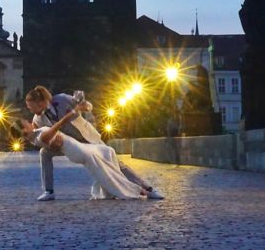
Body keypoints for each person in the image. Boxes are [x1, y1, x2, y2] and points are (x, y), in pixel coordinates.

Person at [25, 85, 164, 201]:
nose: (30, 110)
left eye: (30, 107)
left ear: (41, 103)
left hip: (87, 138)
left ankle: (148, 189)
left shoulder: (61, 99)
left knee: (116, 162)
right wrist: (52, 144)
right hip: (69, 144)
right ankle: (49, 191)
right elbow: (42, 139)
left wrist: (86, 107)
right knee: (44, 153)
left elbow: (86, 105)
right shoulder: (37, 120)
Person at [19, 111, 146, 200]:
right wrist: (69, 115)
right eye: (26, 123)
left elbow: (40, 129)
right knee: (103, 171)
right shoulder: (41, 137)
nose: (28, 122)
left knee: (108, 151)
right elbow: (57, 127)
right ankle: (131, 190)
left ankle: (112, 189)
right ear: (24, 130)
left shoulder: (35, 134)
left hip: (78, 146)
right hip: (77, 151)